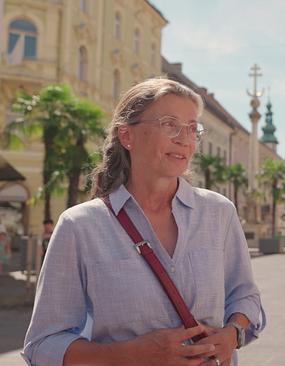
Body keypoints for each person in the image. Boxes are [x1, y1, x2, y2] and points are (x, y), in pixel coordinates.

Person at [23, 78, 265, 366]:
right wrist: (129, 355)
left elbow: (245, 296)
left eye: (191, 128)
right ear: (127, 136)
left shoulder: (218, 212)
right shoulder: (80, 226)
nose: (184, 139)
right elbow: (42, 345)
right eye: (169, 124)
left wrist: (232, 334)